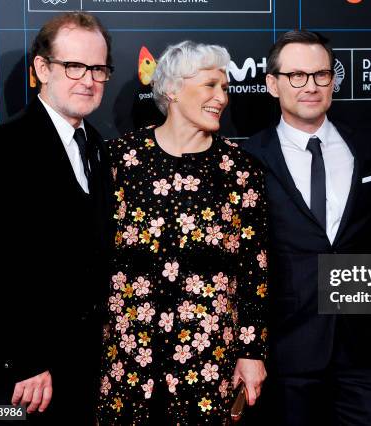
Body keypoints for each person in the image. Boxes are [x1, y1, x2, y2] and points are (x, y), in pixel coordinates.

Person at [96, 41, 268, 425]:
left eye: (224, 88)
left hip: (208, 358)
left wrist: (251, 351)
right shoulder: (120, 159)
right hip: (129, 352)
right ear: (171, 89)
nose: (221, 97)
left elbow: (254, 270)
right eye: (209, 85)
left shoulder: (240, 170)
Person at [0, 12, 113, 424]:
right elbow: (0, 260)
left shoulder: (94, 144)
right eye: (74, 66)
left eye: (98, 68)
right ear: (41, 69)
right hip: (21, 367)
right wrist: (27, 360)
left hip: (77, 361)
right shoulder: (6, 145)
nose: (88, 79)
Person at [242, 30, 371, 426]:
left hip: (362, 346)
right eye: (297, 76)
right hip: (287, 347)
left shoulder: (369, 145)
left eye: (321, 75)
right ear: (273, 84)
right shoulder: (247, 158)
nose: (311, 86)